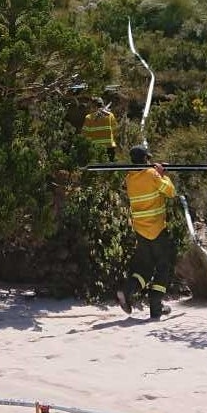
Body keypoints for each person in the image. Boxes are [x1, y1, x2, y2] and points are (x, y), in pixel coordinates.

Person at [116, 144, 176, 320]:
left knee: (145, 268)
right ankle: (156, 308)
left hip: (141, 231)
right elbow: (170, 192)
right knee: (163, 267)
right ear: (145, 159)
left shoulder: (129, 179)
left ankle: (127, 291)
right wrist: (162, 175)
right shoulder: (152, 175)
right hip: (157, 229)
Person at [81, 98, 118, 162]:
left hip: (95, 148)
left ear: (93, 106)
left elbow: (84, 134)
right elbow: (115, 130)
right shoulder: (110, 115)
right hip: (109, 147)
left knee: (96, 168)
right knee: (109, 168)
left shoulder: (89, 117)